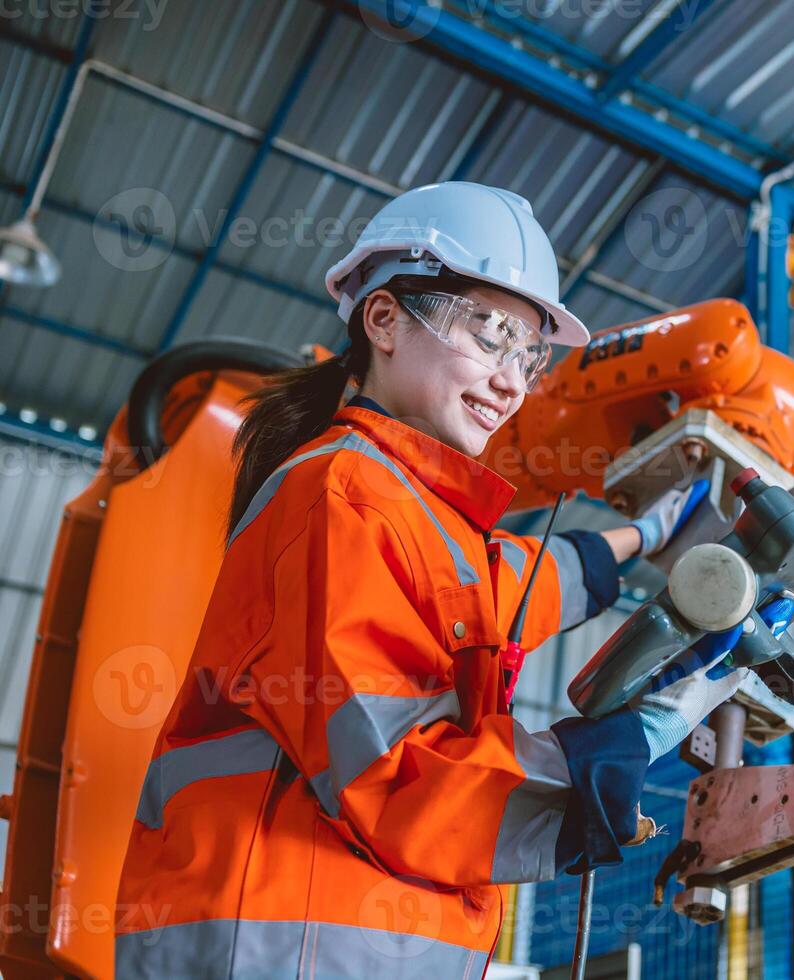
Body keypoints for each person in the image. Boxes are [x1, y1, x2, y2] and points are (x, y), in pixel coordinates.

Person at [113, 183, 745, 978]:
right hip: (285, 945)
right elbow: (394, 772)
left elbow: (506, 591)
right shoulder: (341, 494)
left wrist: (641, 536)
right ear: (382, 319)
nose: (513, 383)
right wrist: (628, 741)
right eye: (491, 334)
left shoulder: (422, 517)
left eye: (529, 354)